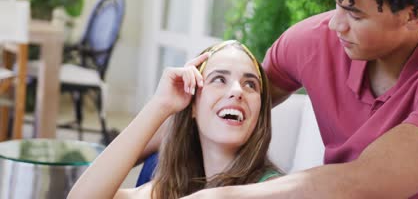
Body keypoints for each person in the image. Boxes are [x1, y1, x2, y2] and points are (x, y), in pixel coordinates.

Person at [182, 0, 418, 198]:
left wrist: (222, 196)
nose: (335, 24)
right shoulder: (313, 41)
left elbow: (364, 181)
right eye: (337, 4)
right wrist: (163, 108)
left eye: (355, 15)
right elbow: (215, 107)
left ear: (413, 14)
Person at [67, 40, 281, 199]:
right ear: (193, 106)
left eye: (250, 84)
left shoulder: (272, 189)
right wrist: (159, 105)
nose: (237, 91)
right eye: (219, 79)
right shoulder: (179, 186)